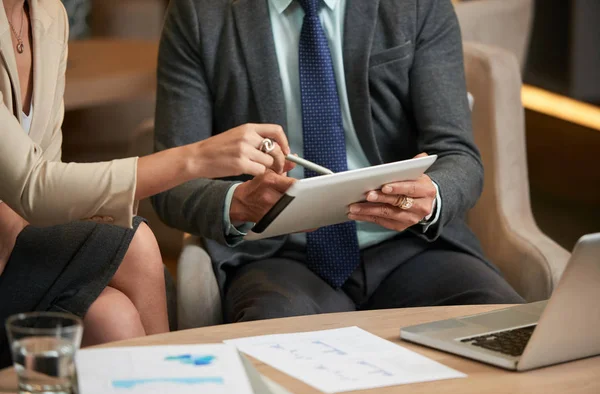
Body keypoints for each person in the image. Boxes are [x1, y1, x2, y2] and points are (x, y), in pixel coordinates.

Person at [153, 0, 525, 323]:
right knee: (276, 343)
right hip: (276, 255)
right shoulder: (200, 13)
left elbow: (458, 155)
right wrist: (238, 202)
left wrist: (431, 194)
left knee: (507, 326)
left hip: (409, 247)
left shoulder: (415, 4)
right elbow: (171, 185)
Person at [0, 0, 290, 367]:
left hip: (19, 246)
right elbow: (34, 188)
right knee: (135, 242)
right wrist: (197, 157)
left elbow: (48, 186)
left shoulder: (47, 14)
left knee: (113, 317)